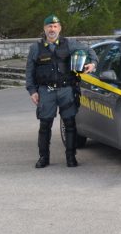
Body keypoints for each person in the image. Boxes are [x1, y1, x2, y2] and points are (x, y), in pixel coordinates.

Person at [25, 14, 97, 168]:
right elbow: (29, 72)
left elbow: (90, 51)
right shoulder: (35, 48)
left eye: (55, 26)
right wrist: (32, 91)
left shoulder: (69, 44)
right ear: (44, 29)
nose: (52, 29)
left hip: (66, 90)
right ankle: (43, 158)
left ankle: (71, 157)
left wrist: (93, 64)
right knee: (45, 126)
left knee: (70, 124)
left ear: (60, 28)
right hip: (46, 91)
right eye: (49, 26)